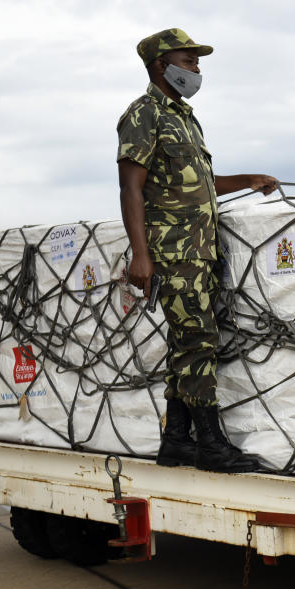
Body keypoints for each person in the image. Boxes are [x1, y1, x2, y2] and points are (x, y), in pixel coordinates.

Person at [116, 28, 277, 473]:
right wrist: (140, 255)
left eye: (196, 61)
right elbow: (132, 187)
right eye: (189, 61)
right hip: (172, 253)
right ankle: (209, 445)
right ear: (160, 66)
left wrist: (248, 180)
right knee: (198, 342)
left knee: (187, 342)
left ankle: (176, 442)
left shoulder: (184, 117)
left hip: (200, 251)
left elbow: (199, 183)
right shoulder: (143, 114)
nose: (197, 68)